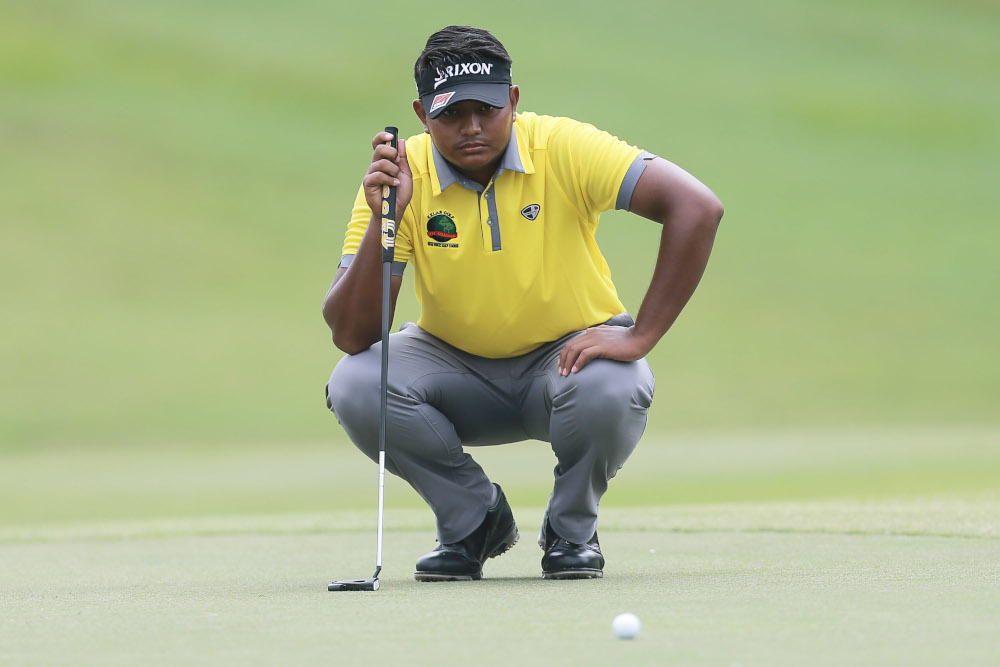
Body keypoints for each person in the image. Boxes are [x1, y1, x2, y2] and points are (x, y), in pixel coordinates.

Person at [323, 25, 723, 582]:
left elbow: (696, 207)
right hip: (452, 367)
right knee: (355, 381)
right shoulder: (399, 175)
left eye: (486, 109)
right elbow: (352, 333)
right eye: (450, 113)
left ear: (512, 99)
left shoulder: (561, 146)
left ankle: (571, 531)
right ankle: (473, 521)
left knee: (615, 383)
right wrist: (385, 221)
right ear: (421, 113)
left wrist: (640, 335)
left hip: (565, 365)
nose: (471, 127)